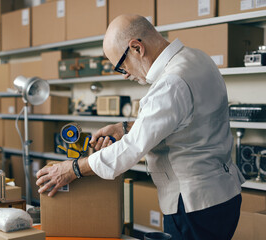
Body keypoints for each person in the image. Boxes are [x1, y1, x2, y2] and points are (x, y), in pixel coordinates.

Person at [36, 14, 245, 240]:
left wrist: (73, 168)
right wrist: (125, 127)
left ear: (136, 48)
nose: (125, 74)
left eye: (121, 65)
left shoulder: (171, 83)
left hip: (194, 205)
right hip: (224, 195)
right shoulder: (198, 59)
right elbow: (187, 121)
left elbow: (131, 150)